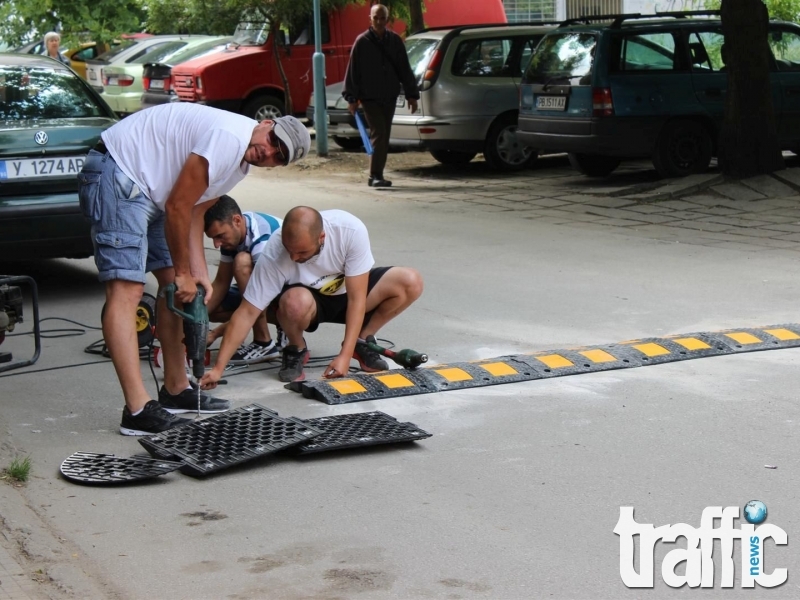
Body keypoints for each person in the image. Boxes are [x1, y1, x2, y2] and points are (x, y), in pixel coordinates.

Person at [77, 103, 310, 436]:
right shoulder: (230, 138)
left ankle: (175, 389)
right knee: (126, 288)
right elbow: (178, 207)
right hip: (121, 174)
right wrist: (186, 272)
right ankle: (138, 410)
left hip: (153, 190)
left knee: (176, 287)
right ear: (266, 123)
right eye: (273, 140)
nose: (268, 152)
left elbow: (195, 213)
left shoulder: (239, 164)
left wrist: (197, 273)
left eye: (278, 156)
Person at [199, 207, 423, 387]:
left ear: (322, 237)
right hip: (309, 302)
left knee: (410, 281)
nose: (295, 257)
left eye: (302, 252)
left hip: (348, 293)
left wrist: (344, 355)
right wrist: (218, 368)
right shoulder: (275, 252)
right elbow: (247, 312)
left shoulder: (349, 230)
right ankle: (296, 348)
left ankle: (360, 342)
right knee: (293, 302)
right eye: (290, 251)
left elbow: (357, 299)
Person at [342, 4, 419, 188]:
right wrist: (351, 98)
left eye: (382, 18)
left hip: (389, 95)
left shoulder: (394, 41)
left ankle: (377, 174)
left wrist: (412, 95)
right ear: (370, 18)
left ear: (387, 19)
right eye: (375, 18)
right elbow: (353, 71)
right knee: (380, 133)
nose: (379, 21)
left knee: (384, 134)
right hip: (369, 97)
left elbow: (404, 69)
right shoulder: (362, 42)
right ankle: (375, 174)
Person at [203, 195, 284, 364]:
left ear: (237, 220)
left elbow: (259, 301)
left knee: (241, 262)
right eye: (213, 238)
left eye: (219, 236)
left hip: (289, 293)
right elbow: (221, 283)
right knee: (213, 307)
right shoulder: (234, 232)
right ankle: (282, 324)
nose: (216, 244)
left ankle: (264, 342)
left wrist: (215, 333)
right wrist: (195, 321)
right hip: (268, 287)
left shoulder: (261, 239)